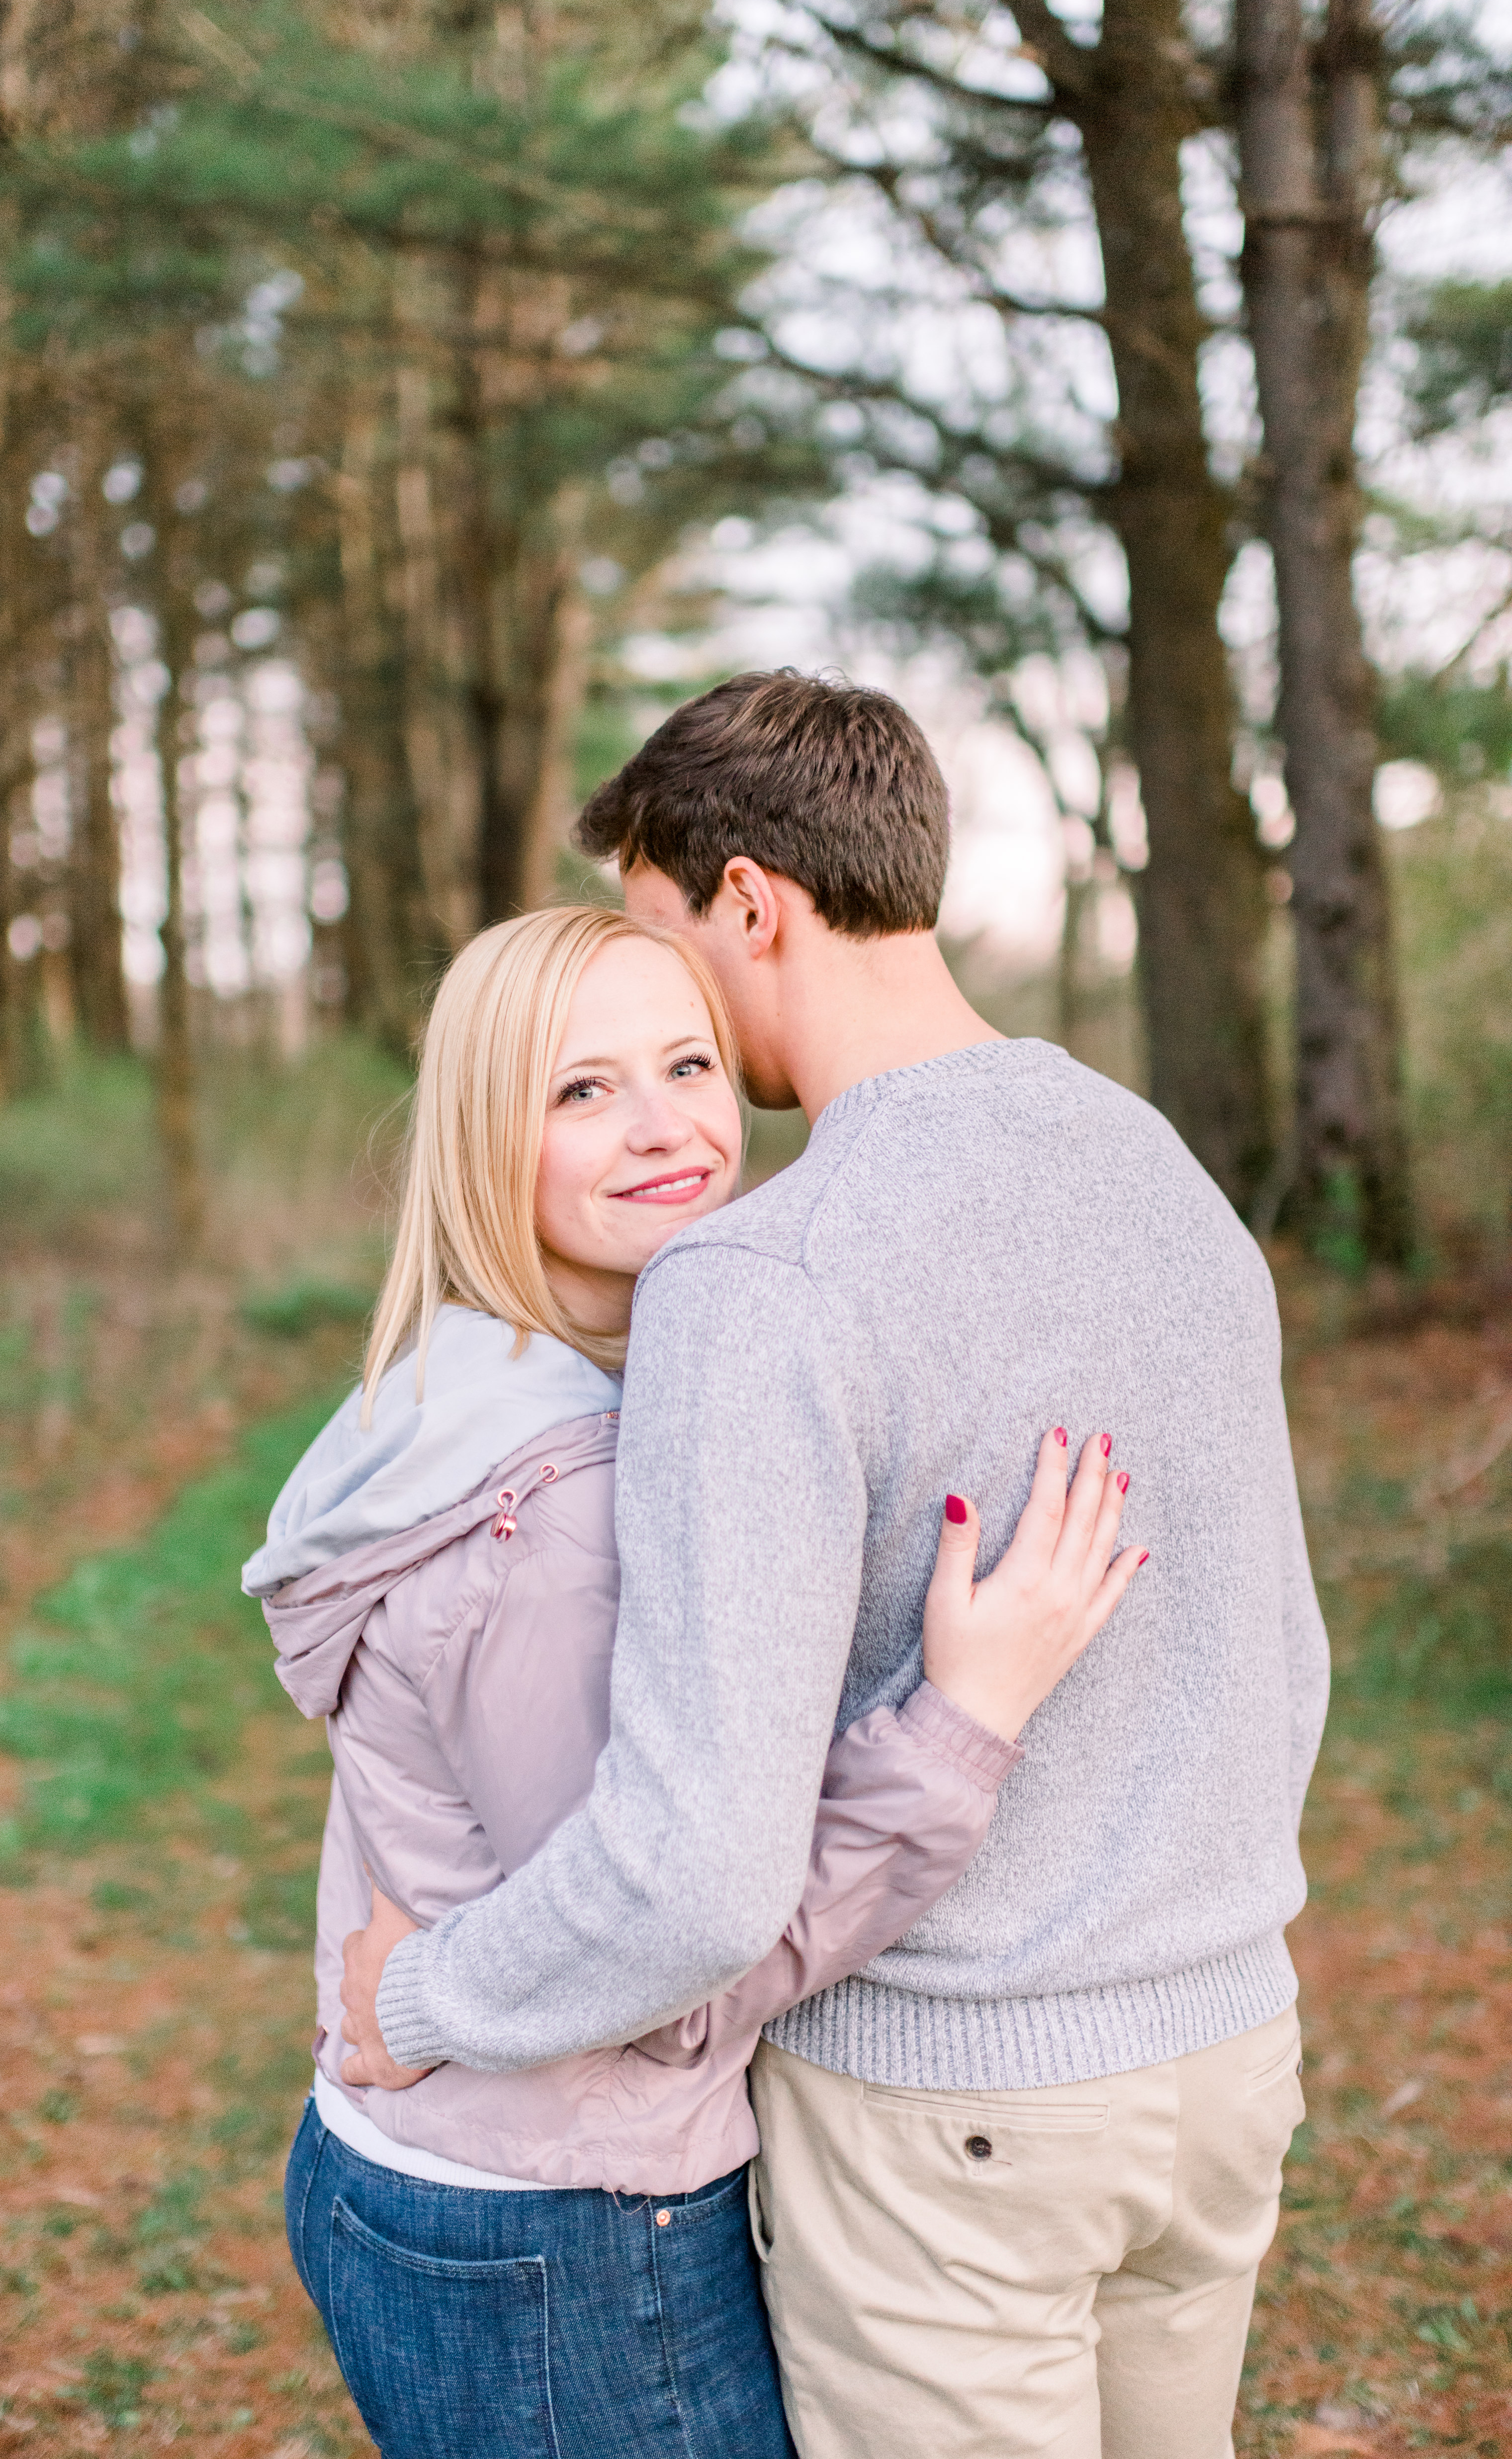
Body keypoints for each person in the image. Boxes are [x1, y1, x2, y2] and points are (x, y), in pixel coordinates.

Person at [340, 672, 1333, 2459]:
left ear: (747, 901)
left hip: (949, 2107)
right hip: (1227, 2056)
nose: (664, 1001)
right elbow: (1281, 1649)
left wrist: (423, 1995)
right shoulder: (1160, 1169)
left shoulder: (764, 1272)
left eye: (658, 940)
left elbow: (700, 1869)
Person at [246, 901, 1144, 2459]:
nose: (666, 1128)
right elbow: (662, 1958)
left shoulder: (464, 1388)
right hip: (567, 2229)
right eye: (580, 1091)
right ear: (479, 1140)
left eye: (687, 1064)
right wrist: (962, 1720)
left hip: (462, 2177)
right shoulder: (559, 1518)